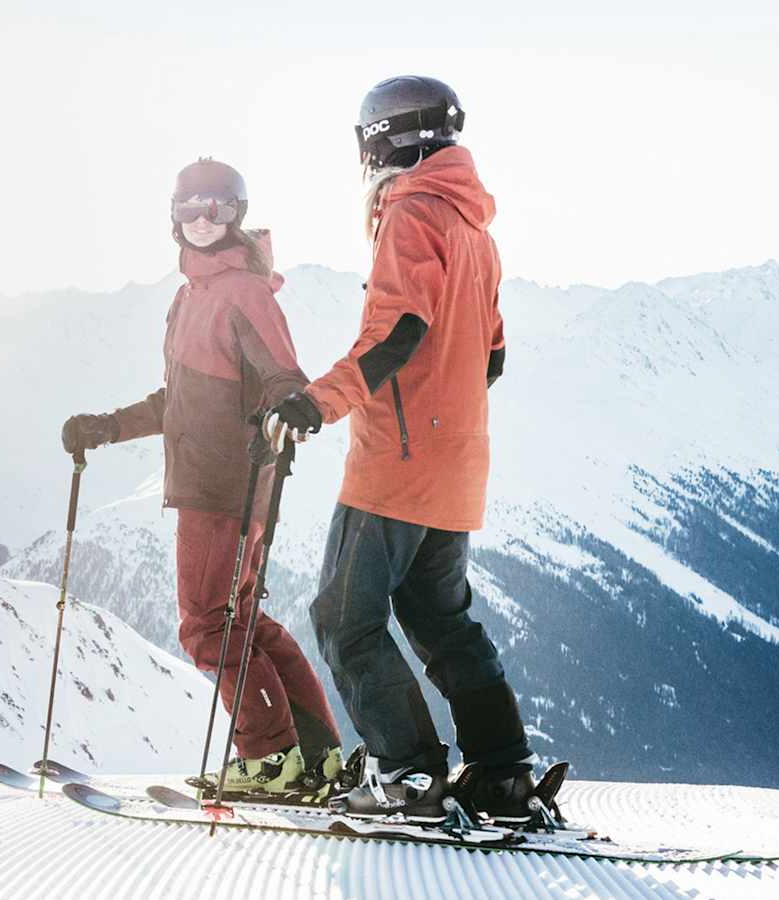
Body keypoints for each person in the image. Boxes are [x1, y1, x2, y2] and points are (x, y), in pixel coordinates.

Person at [268, 76, 539, 821]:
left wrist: (317, 402)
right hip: (457, 470)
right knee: (442, 620)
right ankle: (502, 771)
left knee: (344, 617)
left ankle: (411, 774)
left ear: (384, 139)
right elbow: (493, 356)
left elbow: (396, 330)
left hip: (397, 467)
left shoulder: (412, 210)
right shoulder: (474, 227)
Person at [62, 158, 343, 793]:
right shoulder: (190, 299)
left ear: (237, 215)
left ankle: (268, 759)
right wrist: (102, 427)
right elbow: (177, 402)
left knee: (206, 625)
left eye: (218, 207)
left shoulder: (242, 291)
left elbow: (282, 374)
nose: (204, 220)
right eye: (191, 208)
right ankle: (315, 752)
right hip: (217, 483)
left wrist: (292, 403)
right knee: (242, 622)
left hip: (227, 485)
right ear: (174, 218)